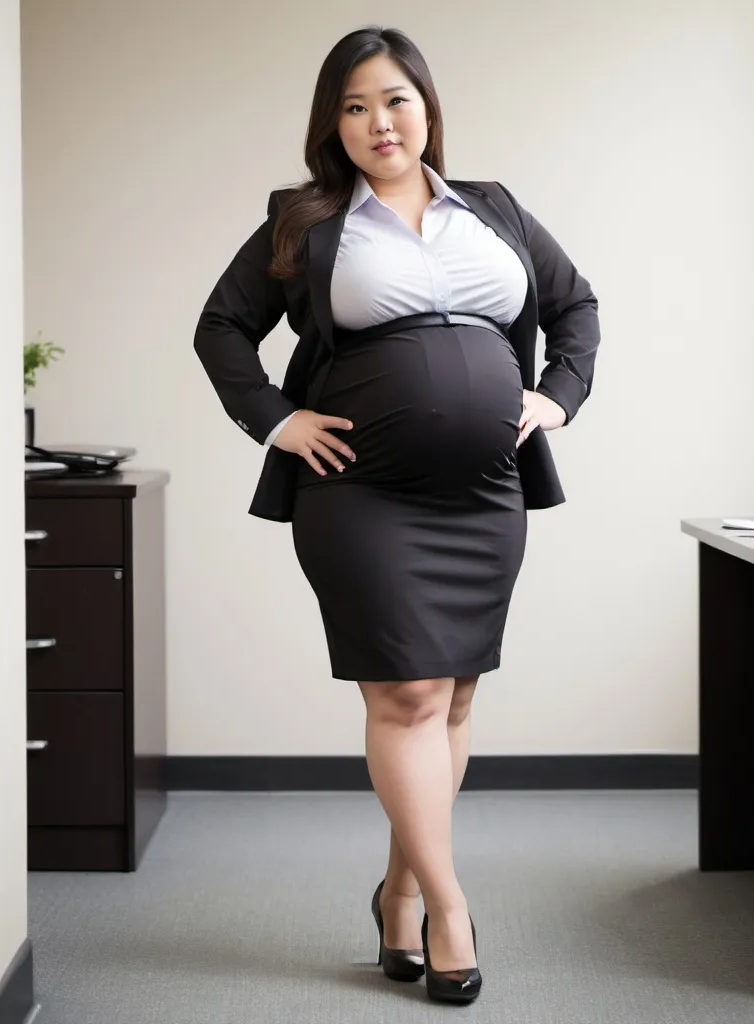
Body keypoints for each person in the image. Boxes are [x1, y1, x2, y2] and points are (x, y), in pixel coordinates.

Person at [193, 25, 600, 1005]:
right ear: (333, 125)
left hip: (482, 498)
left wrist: (557, 393)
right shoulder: (306, 220)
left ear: (427, 108)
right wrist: (277, 421)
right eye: (355, 105)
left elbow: (575, 307)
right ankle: (451, 909)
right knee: (405, 698)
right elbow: (222, 327)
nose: (380, 121)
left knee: (451, 697)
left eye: (395, 99)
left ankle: (400, 896)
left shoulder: (493, 210)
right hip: (362, 495)